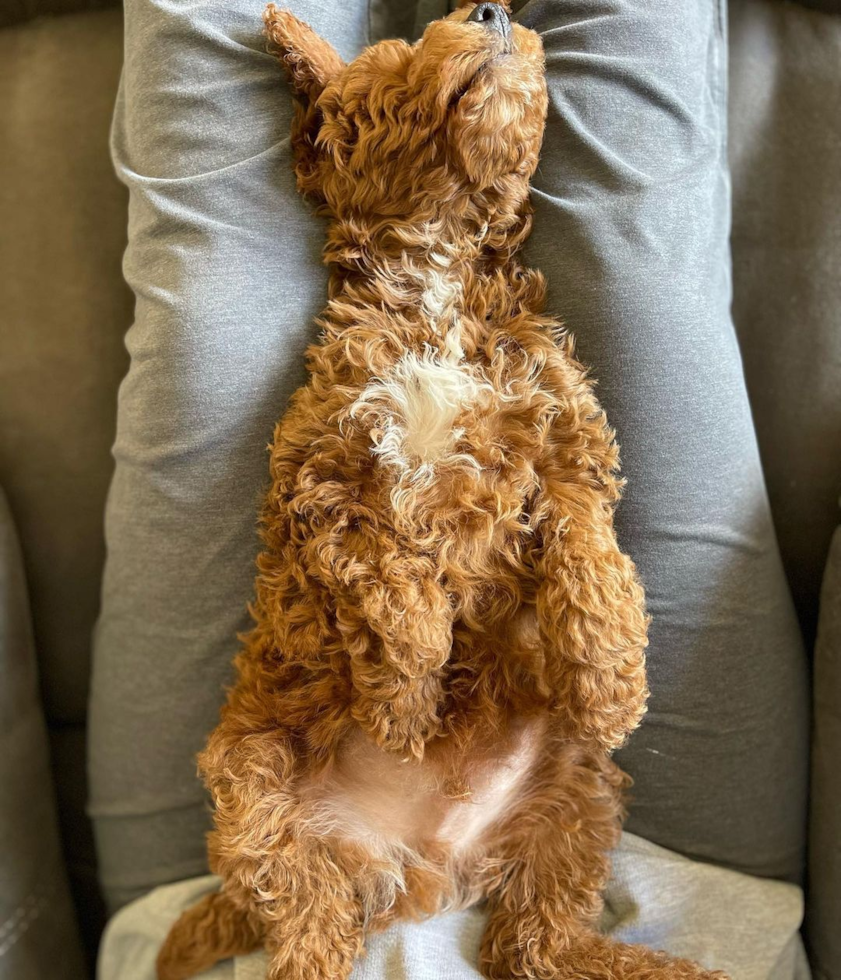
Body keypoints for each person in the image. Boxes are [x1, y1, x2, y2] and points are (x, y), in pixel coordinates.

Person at [91, 0, 811, 975]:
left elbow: (327, 500)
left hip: (254, 864)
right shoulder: (517, 351)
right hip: (656, 875)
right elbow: (578, 483)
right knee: (632, 265)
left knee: (209, 304)